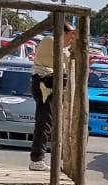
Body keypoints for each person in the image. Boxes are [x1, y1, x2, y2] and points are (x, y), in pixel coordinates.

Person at [28, 22, 75, 171]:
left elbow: (68, 62)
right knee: (44, 122)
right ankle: (36, 159)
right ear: (64, 33)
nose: (72, 38)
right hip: (45, 84)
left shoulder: (61, 46)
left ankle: (44, 159)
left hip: (50, 85)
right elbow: (65, 58)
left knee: (51, 123)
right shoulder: (51, 41)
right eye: (71, 34)